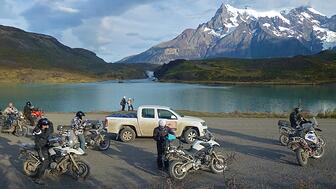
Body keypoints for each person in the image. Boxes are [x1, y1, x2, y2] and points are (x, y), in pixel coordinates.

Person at [32, 118, 53, 185]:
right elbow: (45, 136)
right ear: (41, 124)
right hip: (39, 147)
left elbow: (51, 130)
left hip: (45, 145)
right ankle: (37, 179)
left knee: (52, 154)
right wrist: (48, 127)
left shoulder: (45, 127)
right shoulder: (37, 129)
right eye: (44, 125)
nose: (45, 126)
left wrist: (50, 123)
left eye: (46, 124)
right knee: (45, 162)